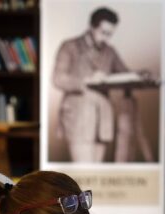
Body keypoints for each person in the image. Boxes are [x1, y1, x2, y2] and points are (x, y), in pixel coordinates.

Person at [53, 6, 155, 163]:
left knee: (95, 176)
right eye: (103, 33)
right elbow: (58, 78)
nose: (106, 38)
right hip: (78, 118)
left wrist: (141, 74)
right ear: (91, 27)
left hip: (103, 119)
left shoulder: (110, 51)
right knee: (82, 174)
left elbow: (125, 74)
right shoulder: (69, 46)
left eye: (110, 34)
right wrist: (87, 80)